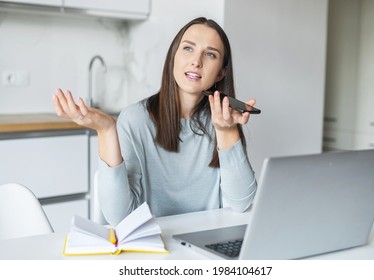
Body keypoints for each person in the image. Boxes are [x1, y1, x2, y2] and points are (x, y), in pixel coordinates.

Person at [53, 17, 257, 226]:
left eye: (210, 54)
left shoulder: (223, 121)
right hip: (153, 247)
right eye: (188, 49)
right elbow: (119, 218)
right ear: (173, 58)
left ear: (221, 73)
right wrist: (106, 131)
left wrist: (226, 130)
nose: (197, 61)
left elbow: (241, 202)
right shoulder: (136, 119)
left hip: (206, 246)